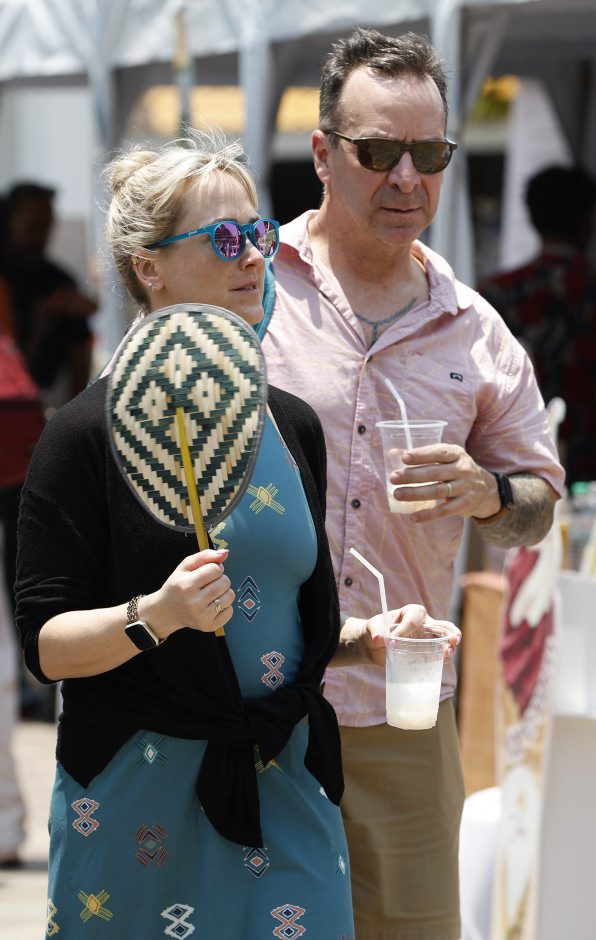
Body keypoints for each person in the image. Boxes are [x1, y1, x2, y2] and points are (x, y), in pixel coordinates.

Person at [15, 129, 459, 937]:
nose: (255, 255)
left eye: (258, 232)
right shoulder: (82, 433)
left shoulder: (292, 424)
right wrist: (158, 614)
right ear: (149, 268)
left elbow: (284, 618)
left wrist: (368, 640)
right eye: (224, 238)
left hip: (283, 777)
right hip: (135, 789)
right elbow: (46, 647)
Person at [259, 28, 565, 940]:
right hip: (256, 702)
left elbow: (538, 504)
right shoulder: (250, 291)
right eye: (379, 152)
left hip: (401, 712)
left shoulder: (474, 329)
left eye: (428, 155)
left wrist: (489, 495)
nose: (406, 179)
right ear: (323, 154)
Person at [480, 164, 596, 485]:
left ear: (531, 217)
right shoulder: (588, 287)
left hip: (520, 463)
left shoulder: (499, 292)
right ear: (588, 219)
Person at [2, 181, 97, 410]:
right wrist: (40, 323)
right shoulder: (6, 277)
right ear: (9, 220)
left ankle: (76, 412)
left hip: (46, 389)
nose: (41, 236)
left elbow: (81, 336)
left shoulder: (57, 279)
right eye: (33, 226)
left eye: (47, 226)